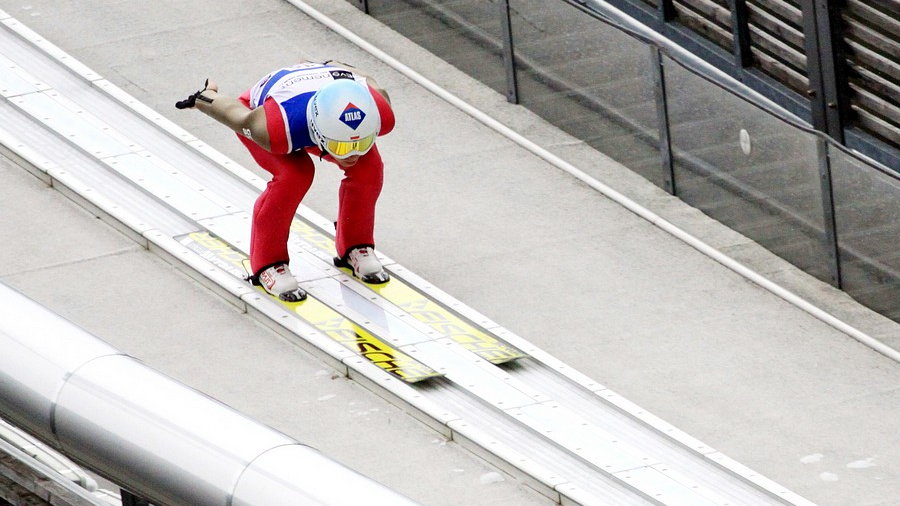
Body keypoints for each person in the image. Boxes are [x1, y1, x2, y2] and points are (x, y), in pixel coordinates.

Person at [176, 61, 395, 302]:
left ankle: (356, 245)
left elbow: (364, 78)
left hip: (325, 108)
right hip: (277, 113)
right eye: (341, 148)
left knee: (369, 168)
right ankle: (268, 264)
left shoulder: (380, 110)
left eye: (361, 144)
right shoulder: (274, 127)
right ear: (318, 133)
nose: (352, 155)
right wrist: (205, 97)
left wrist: (334, 66)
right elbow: (235, 115)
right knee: (294, 176)